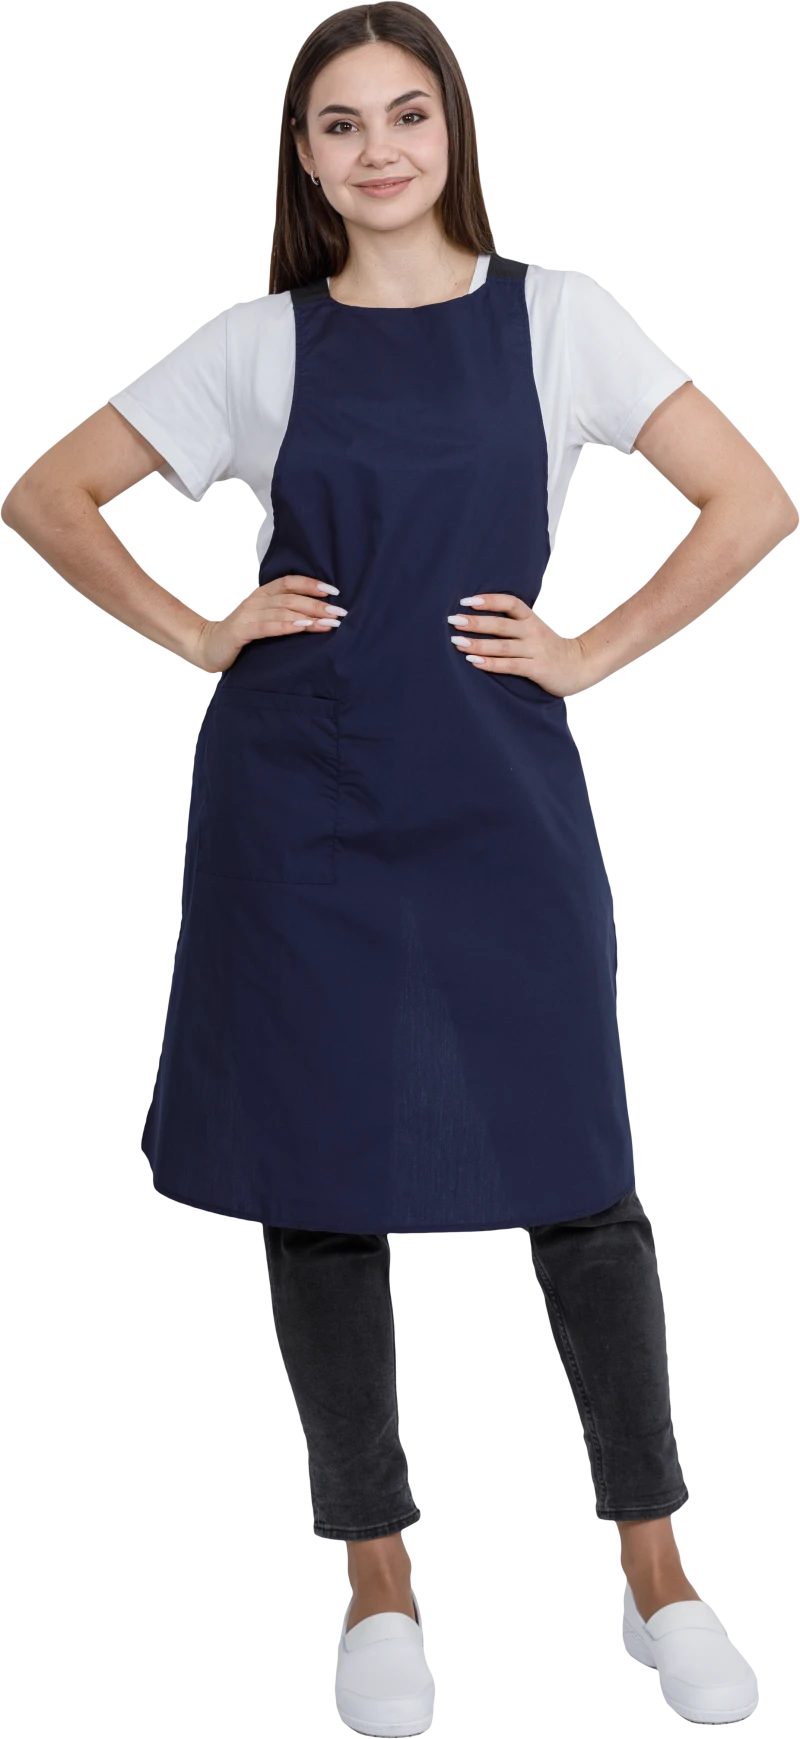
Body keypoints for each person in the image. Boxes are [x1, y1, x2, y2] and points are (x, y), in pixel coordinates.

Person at [3, 4, 795, 1729]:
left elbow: (752, 501)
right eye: (342, 124)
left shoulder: (562, 315)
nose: (380, 151)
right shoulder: (252, 344)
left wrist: (593, 650)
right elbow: (50, 494)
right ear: (304, 156)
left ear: (455, 133)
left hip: (501, 787)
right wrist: (197, 628)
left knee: (583, 1178)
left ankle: (658, 1576)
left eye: (408, 115)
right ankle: (378, 1587)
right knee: (322, 1181)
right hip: (300, 800)